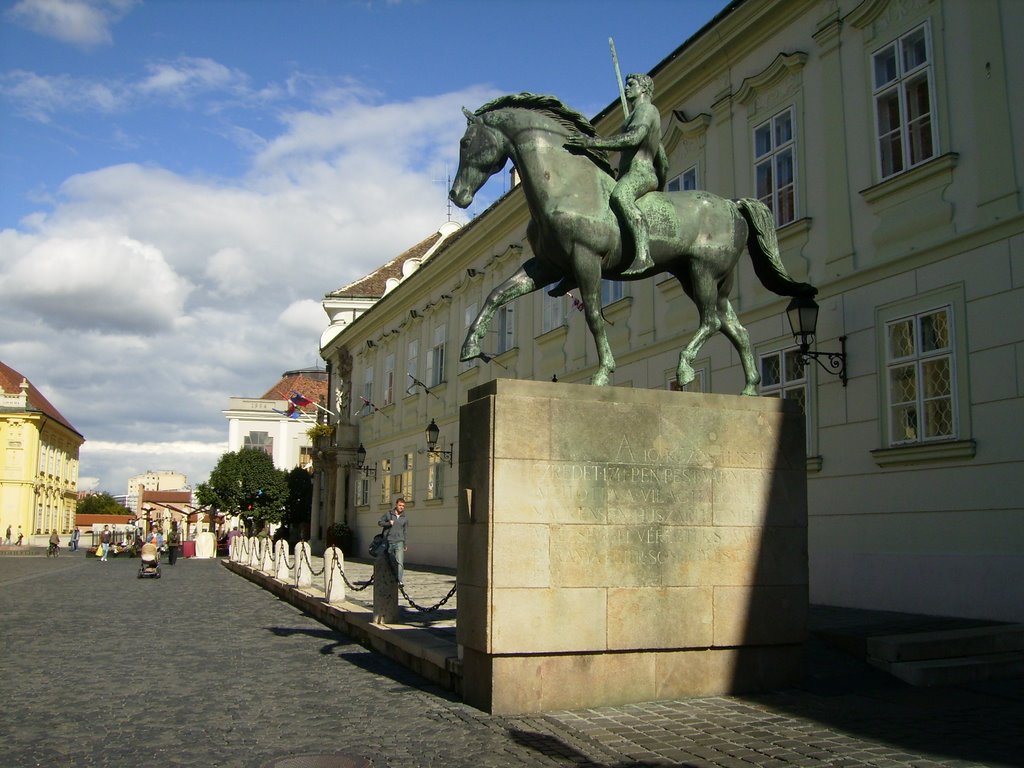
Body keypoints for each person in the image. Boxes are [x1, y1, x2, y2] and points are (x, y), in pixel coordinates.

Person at [565, 72, 668, 277]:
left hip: (640, 172)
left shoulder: (647, 110)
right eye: (627, 84)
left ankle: (643, 254)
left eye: (631, 84)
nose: (627, 87)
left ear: (644, 88)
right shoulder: (637, 115)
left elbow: (634, 138)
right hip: (630, 174)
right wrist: (662, 181)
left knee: (620, 196)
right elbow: (663, 159)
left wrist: (592, 143)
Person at [378, 497, 408, 586]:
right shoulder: (388, 514)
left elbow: (405, 531)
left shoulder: (404, 518)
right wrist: (388, 523)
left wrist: (405, 543)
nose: (401, 507)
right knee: (388, 561)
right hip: (388, 541)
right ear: (396, 505)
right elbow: (379, 522)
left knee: (400, 562)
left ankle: (399, 580)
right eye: (400, 505)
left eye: (403, 506)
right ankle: (388, 577)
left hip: (399, 542)